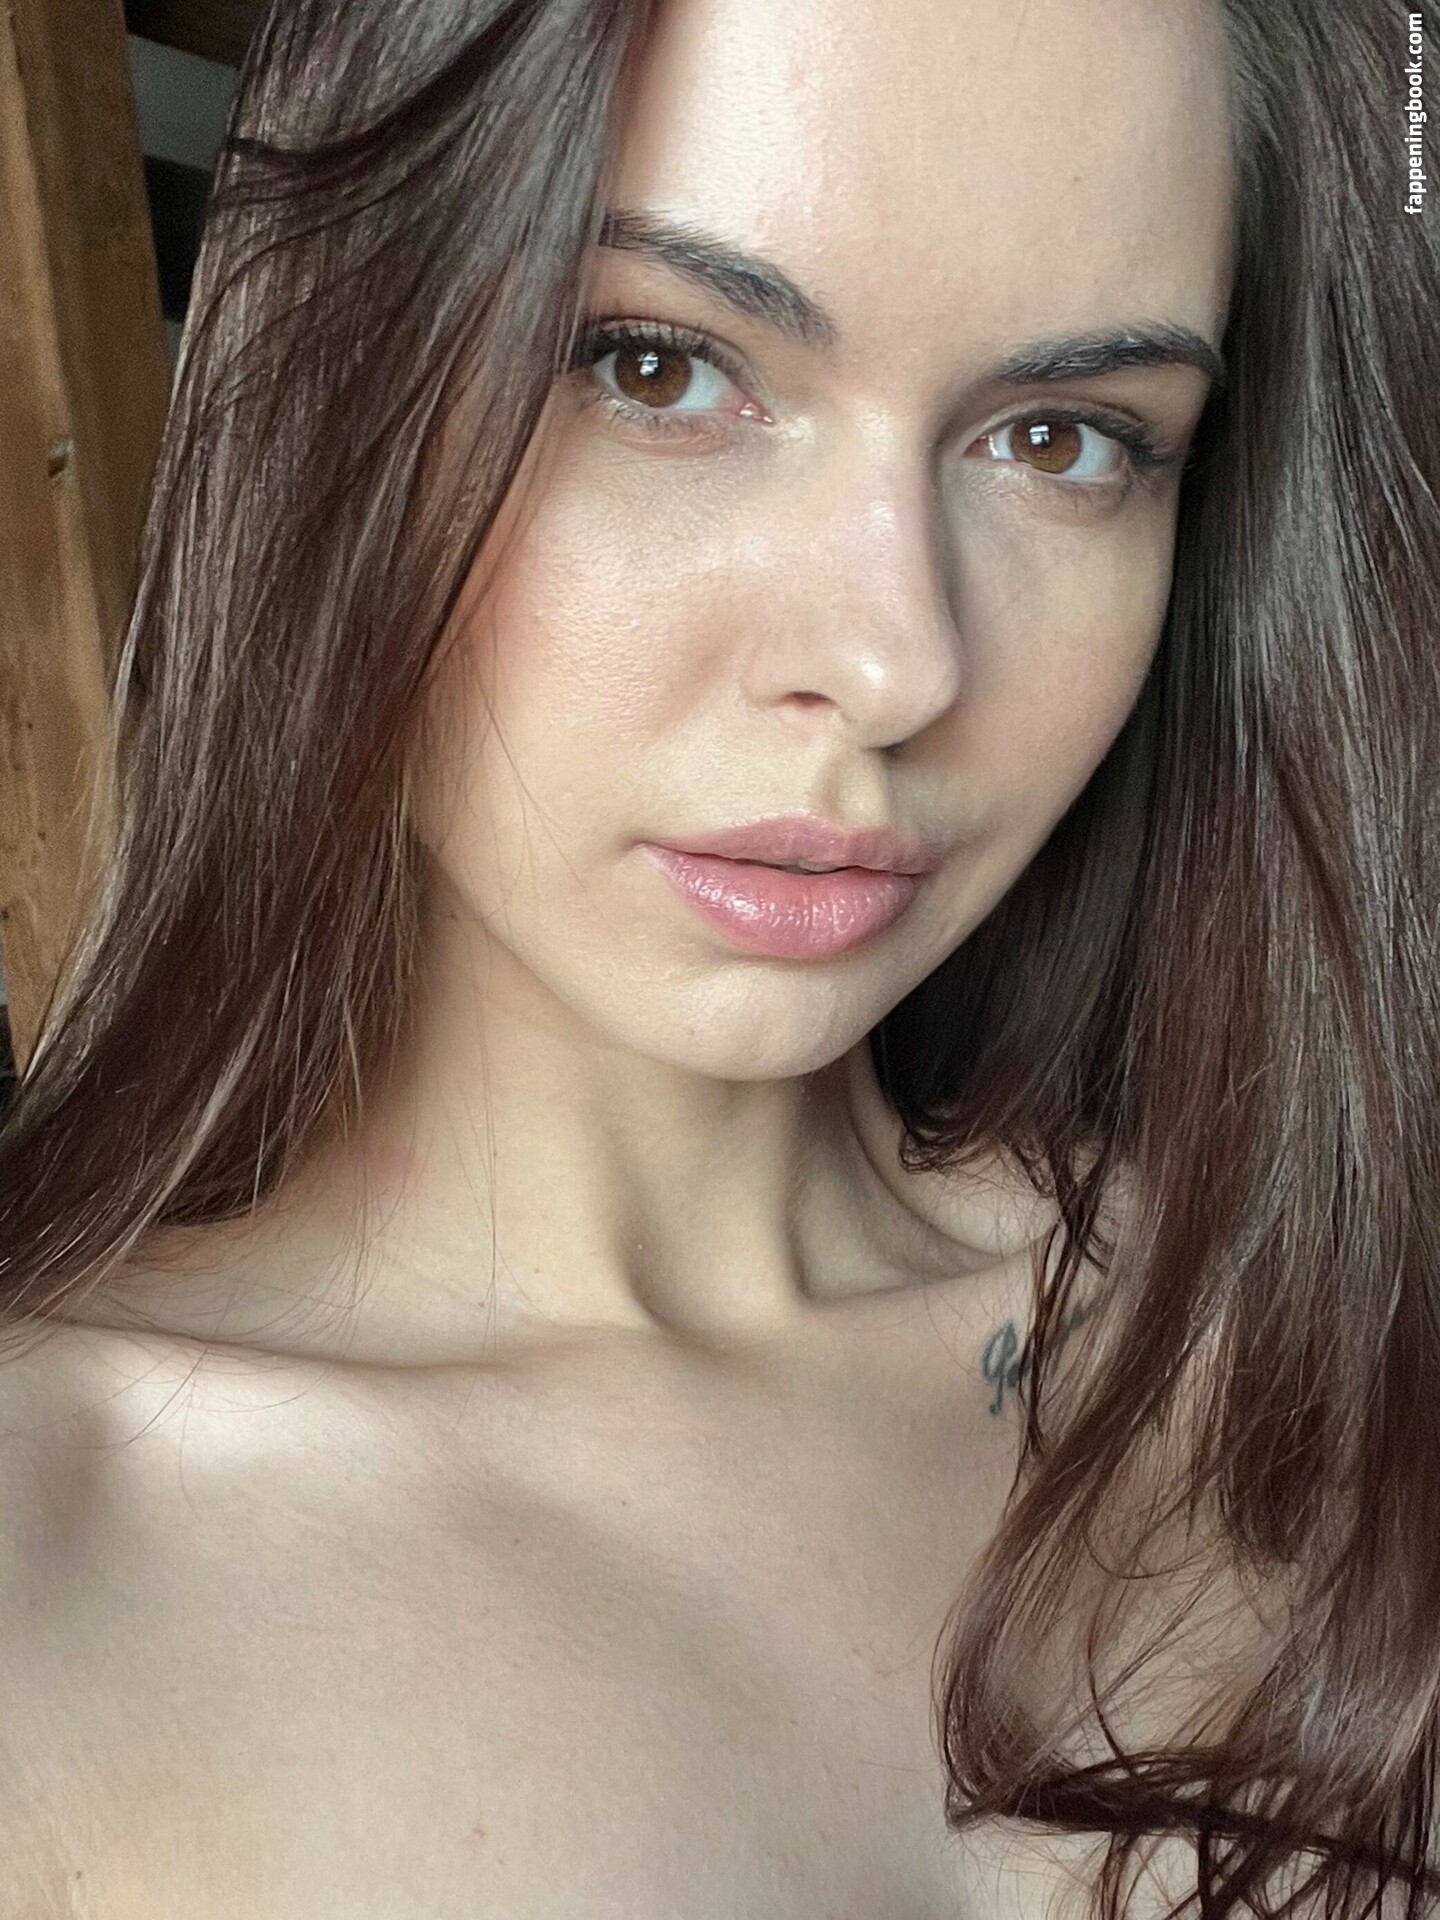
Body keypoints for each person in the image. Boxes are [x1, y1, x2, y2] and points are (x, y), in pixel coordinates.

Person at [0, 0, 1435, 1911]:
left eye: (1064, 437)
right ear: (329, 372)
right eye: (658, 366)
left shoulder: (1329, 1344)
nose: (896, 661)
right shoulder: (50, 1592)